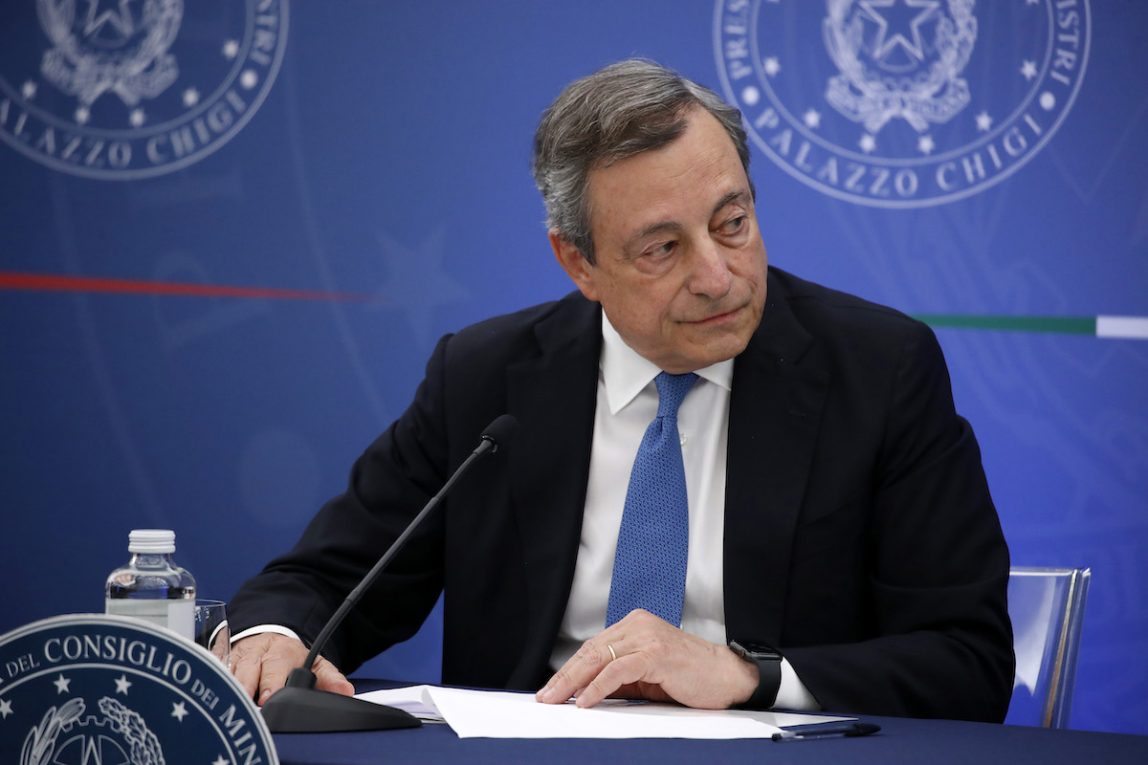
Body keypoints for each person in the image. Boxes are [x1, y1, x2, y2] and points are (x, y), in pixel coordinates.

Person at [227, 59, 1014, 721]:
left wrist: (748, 675)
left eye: (732, 222)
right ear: (579, 263)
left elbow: (966, 659)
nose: (718, 276)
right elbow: (319, 582)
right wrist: (275, 636)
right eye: (663, 248)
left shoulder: (878, 369)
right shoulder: (485, 379)